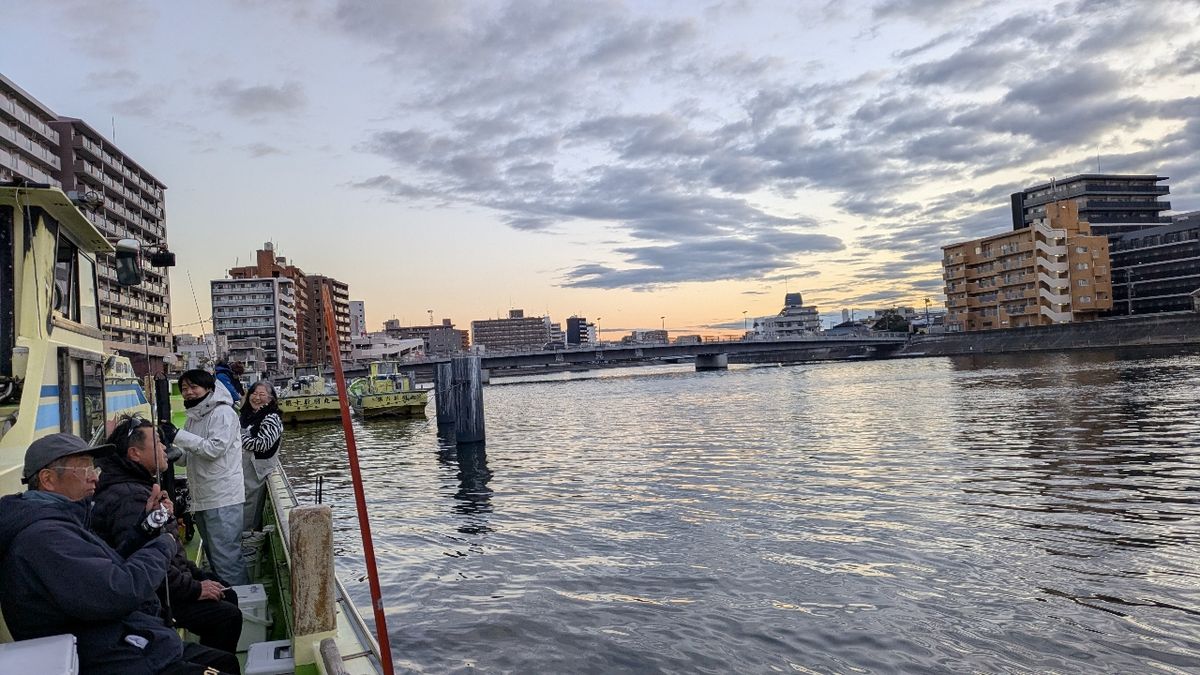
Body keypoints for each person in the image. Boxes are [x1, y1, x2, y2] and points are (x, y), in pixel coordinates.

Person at [0, 433, 239, 675]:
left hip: (122, 642)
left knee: (225, 662)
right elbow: (118, 589)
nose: (94, 477)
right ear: (48, 479)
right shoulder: (43, 538)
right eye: (82, 469)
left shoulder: (57, 522)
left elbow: (106, 569)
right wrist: (165, 541)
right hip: (110, 657)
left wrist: (145, 530)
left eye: (93, 468)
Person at [93, 417, 244, 654]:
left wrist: (197, 576)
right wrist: (195, 588)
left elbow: (169, 554)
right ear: (134, 454)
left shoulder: (136, 486)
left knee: (226, 591)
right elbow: (145, 565)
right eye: (157, 443)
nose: (165, 448)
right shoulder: (129, 498)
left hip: (166, 584)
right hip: (152, 597)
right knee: (227, 615)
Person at [159, 369, 248, 586]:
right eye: (184, 389)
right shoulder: (194, 417)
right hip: (202, 497)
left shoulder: (223, 413)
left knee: (227, 558)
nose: (188, 392)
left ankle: (242, 604)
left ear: (209, 389)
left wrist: (177, 435)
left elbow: (214, 450)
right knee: (215, 557)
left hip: (223, 498)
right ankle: (228, 599)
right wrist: (172, 452)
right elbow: (192, 457)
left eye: (193, 387)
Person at [240, 381, 283, 532]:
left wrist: (237, 439)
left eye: (262, 394)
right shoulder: (247, 415)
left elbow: (264, 444)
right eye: (254, 393)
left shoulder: (271, 417)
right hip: (243, 470)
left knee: (250, 508)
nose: (257, 397)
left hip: (256, 471)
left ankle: (248, 539)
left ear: (271, 399)